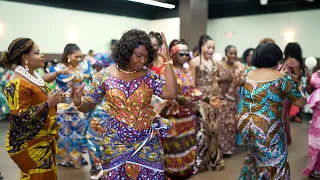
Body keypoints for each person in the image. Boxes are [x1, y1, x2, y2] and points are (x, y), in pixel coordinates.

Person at [70, 29, 178, 179]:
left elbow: (171, 93)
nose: (142, 61)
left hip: (147, 143)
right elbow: (88, 105)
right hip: (116, 144)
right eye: (139, 55)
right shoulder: (104, 76)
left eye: (146, 57)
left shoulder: (149, 76)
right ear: (126, 52)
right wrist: (78, 102)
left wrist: (167, 60)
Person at [238, 42, 306, 179]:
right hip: (266, 128)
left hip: (246, 125)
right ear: (276, 57)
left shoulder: (248, 74)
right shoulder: (283, 79)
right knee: (275, 162)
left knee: (254, 157)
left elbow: (266, 82)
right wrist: (297, 85)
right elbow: (300, 102)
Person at [1, 37, 62, 179]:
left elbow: (39, 101)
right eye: (37, 52)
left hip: (42, 142)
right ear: (24, 58)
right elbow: (21, 118)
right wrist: (48, 104)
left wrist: (55, 100)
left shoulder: (32, 78)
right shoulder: (18, 84)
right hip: (33, 145)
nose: (42, 56)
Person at [160, 39, 202, 179]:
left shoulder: (186, 70)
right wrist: (184, 100)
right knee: (175, 146)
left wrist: (201, 96)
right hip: (174, 116)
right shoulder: (167, 70)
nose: (185, 57)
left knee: (187, 144)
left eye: (186, 54)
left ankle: (186, 170)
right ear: (173, 55)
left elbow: (191, 88)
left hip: (189, 116)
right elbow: (166, 93)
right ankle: (173, 173)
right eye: (181, 54)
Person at [49, 44, 89, 168]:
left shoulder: (83, 68)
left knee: (78, 135)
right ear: (68, 56)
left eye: (80, 57)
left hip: (78, 107)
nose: (79, 59)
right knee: (63, 134)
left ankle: (77, 158)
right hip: (62, 108)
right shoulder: (58, 69)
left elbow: (87, 83)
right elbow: (48, 80)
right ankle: (65, 159)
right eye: (76, 56)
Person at [189, 35, 225, 172]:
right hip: (202, 101)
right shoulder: (194, 62)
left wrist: (219, 96)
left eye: (213, 48)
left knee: (215, 132)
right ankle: (200, 163)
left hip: (215, 101)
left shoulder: (215, 62)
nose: (211, 50)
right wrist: (204, 98)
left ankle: (215, 161)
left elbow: (216, 80)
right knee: (203, 133)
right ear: (201, 47)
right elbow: (192, 85)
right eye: (208, 47)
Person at [86, 53, 114, 180]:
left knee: (93, 142)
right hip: (113, 118)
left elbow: (91, 99)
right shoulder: (117, 76)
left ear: (99, 65)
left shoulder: (98, 77)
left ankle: (98, 169)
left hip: (99, 117)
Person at [218, 45, 244, 155]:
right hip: (221, 97)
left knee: (232, 123)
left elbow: (243, 82)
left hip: (233, 98)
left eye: (235, 53)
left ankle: (229, 148)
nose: (233, 56)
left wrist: (239, 80)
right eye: (230, 53)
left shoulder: (239, 67)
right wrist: (224, 79)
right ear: (226, 54)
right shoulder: (219, 65)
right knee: (222, 123)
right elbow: (213, 80)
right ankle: (221, 148)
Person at [278, 42, 304, 146]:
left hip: (287, 92)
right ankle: (281, 137)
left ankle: (283, 138)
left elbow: (297, 77)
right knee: (281, 114)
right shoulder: (285, 61)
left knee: (283, 115)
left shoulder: (293, 61)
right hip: (281, 91)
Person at [303, 70, 320, 178]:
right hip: (318, 113)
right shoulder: (317, 73)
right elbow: (310, 91)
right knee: (316, 141)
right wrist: (309, 82)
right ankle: (316, 167)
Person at [236, 48, 255, 146]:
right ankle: (240, 140)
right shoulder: (241, 67)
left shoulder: (257, 69)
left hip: (253, 97)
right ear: (246, 56)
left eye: (253, 55)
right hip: (241, 95)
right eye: (249, 55)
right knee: (241, 117)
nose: (250, 57)